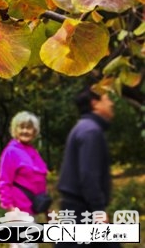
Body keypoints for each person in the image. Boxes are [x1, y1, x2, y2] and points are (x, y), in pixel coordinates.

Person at [56, 86, 119, 247]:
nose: (112, 104)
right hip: (82, 210)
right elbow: (88, 175)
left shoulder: (84, 127)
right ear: (95, 103)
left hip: (77, 207)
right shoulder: (91, 131)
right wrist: (98, 210)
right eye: (107, 99)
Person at [0, 111, 49, 248]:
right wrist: (10, 208)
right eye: (22, 127)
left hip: (33, 208)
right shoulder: (11, 152)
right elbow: (4, 182)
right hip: (19, 211)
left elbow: (39, 180)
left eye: (29, 127)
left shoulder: (33, 152)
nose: (25, 131)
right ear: (15, 130)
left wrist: (46, 208)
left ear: (35, 131)